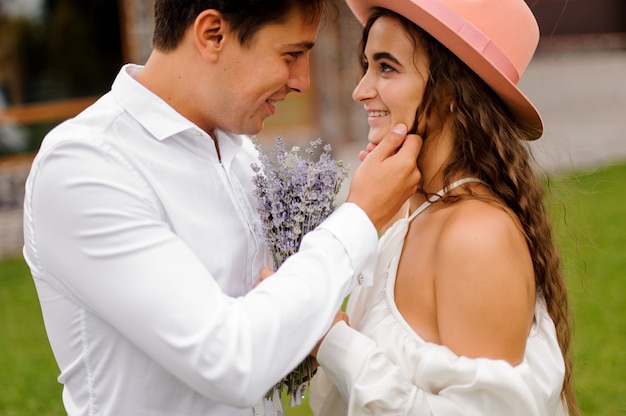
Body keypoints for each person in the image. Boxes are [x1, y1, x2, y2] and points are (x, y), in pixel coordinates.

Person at [21, 1, 423, 415]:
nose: (302, 80)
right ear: (212, 34)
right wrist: (359, 217)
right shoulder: (86, 166)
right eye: (290, 55)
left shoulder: (239, 153)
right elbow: (230, 362)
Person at [308, 0, 580, 415]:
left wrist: (335, 344)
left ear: (453, 90)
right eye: (367, 65)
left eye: (386, 67)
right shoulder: (406, 214)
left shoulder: (476, 235)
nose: (360, 90)